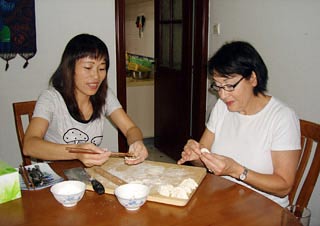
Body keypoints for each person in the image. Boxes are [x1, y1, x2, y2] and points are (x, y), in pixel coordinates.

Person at [178, 41, 301, 207]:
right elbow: (202, 159)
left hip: (264, 209)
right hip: (223, 201)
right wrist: (196, 155)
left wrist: (237, 171)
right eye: (218, 86)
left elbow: (283, 186)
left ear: (252, 78)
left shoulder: (282, 118)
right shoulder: (222, 108)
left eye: (229, 86)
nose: (222, 95)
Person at [23, 33, 148, 167]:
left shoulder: (104, 95)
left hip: (90, 173)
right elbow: (30, 145)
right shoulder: (51, 98)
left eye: (101, 68)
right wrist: (77, 152)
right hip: (58, 177)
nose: (96, 76)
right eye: (88, 68)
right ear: (70, 68)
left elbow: (130, 129)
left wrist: (136, 142)